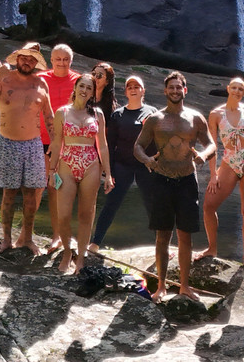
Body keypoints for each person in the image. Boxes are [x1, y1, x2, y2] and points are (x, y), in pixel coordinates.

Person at [133, 71, 216, 302]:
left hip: (187, 180)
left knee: (185, 236)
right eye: (171, 87)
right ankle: (161, 286)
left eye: (179, 87)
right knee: (162, 235)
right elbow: (138, 146)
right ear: (165, 91)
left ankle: (184, 286)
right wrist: (147, 160)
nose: (175, 91)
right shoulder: (155, 119)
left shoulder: (195, 118)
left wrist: (203, 155)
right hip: (162, 180)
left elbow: (211, 144)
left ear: (185, 90)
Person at [0, 42, 54, 254]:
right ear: (17, 58)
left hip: (33, 144)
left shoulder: (41, 83)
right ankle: (6, 239)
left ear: (36, 63)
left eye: (32, 59)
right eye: (24, 57)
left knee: (31, 195)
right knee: (9, 193)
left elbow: (49, 116)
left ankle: (27, 239)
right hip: (8, 142)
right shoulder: (5, 79)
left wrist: (56, 143)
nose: (27, 62)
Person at [197, 77, 244, 267]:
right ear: (228, 89)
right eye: (234, 87)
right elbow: (212, 145)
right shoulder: (216, 114)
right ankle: (212, 248)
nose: (237, 91)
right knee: (209, 205)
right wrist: (213, 174)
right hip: (229, 162)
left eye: (241, 89)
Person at [48, 73, 113, 273]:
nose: (84, 90)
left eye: (89, 88)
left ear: (93, 92)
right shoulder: (62, 112)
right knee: (63, 215)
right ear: (75, 87)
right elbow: (57, 143)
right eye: (82, 86)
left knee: (86, 214)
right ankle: (68, 251)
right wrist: (51, 170)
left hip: (91, 164)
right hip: (67, 164)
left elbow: (102, 145)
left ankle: (81, 256)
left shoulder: (97, 114)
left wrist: (108, 174)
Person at [89, 75, 158, 251]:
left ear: (143, 91)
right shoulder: (118, 114)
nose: (133, 89)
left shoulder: (153, 112)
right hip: (122, 165)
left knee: (152, 205)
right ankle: (95, 242)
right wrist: (109, 172)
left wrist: (157, 163)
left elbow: (159, 140)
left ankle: (161, 245)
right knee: (111, 204)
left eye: (137, 87)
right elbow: (110, 145)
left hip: (145, 166)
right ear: (126, 92)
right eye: (130, 87)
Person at [38, 43, 80, 251]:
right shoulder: (41, 78)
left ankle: (67, 235)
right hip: (44, 140)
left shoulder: (79, 81)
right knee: (52, 187)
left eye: (65, 59)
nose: (62, 63)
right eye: (58, 59)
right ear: (51, 60)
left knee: (67, 188)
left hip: (70, 142)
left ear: (71, 61)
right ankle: (56, 235)